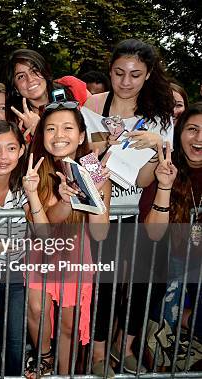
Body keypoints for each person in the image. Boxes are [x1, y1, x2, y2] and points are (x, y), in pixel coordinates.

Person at [81, 38, 175, 375]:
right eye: (119, 73)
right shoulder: (92, 104)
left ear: (148, 75)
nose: (125, 82)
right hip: (103, 211)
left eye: (135, 74)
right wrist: (102, 149)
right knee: (104, 286)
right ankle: (97, 354)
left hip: (140, 212)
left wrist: (157, 146)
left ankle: (127, 348)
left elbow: (147, 180)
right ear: (110, 71)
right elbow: (83, 158)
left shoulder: (159, 116)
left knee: (139, 283)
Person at [25, 101, 111, 378]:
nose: (58, 135)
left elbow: (100, 233)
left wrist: (93, 195)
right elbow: (44, 227)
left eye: (67, 128)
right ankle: (45, 358)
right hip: (42, 250)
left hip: (76, 253)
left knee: (68, 325)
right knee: (37, 310)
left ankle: (65, 374)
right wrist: (65, 201)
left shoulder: (94, 170)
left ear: (82, 135)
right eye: (50, 128)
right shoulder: (34, 168)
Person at [0, 120, 49, 375]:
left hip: (15, 274)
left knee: (15, 341)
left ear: (21, 151)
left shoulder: (23, 188)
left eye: (11, 148)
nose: (3, 156)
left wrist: (33, 193)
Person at [141, 102, 202, 370]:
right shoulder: (164, 166)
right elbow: (153, 233)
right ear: (179, 132)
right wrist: (165, 186)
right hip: (170, 262)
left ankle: (189, 319)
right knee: (160, 324)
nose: (199, 139)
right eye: (192, 129)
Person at [5, 49, 71, 140]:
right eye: (21, 76)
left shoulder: (71, 87)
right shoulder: (18, 126)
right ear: (15, 88)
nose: (30, 79)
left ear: (44, 72)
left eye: (34, 70)